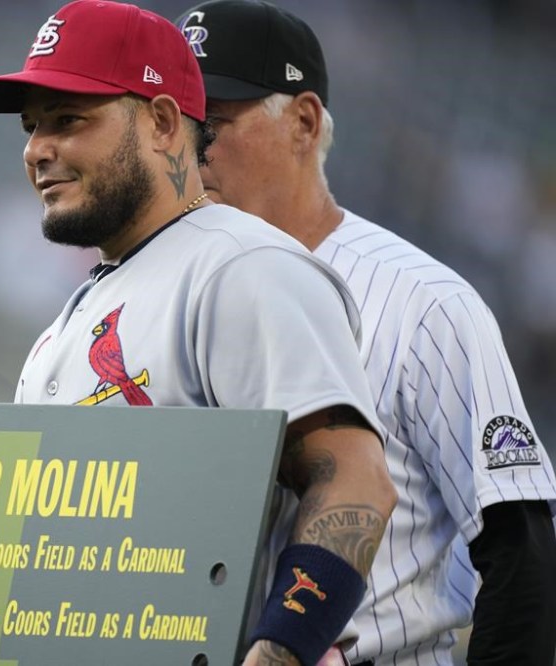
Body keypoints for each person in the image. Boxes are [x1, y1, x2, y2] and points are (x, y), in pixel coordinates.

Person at [0, 2, 397, 664]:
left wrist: (279, 651)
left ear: (164, 122)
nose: (36, 150)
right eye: (31, 127)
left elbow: (354, 481)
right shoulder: (69, 320)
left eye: (68, 120)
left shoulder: (241, 266)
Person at [174, 1, 556, 664]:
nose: (188, 147)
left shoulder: (423, 301)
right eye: (174, 124)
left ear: (303, 121)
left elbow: (521, 550)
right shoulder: (170, 299)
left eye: (214, 121)